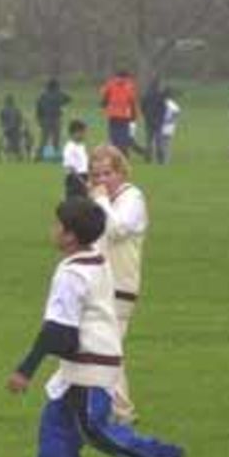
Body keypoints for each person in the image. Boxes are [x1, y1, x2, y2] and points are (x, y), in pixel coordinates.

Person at [6, 197, 185, 457]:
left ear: (70, 235)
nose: (53, 229)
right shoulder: (95, 257)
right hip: (83, 363)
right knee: (56, 424)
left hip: (91, 364)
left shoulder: (72, 274)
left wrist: (26, 369)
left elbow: (57, 331)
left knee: (95, 430)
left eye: (58, 225)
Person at [89, 145, 146, 424]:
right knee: (100, 346)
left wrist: (99, 201)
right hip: (99, 285)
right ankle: (114, 408)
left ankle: (121, 411)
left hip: (120, 286)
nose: (102, 181)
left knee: (107, 347)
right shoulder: (102, 201)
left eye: (107, 174)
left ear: (122, 172)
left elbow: (117, 229)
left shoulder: (132, 197)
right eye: (96, 175)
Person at [100, 69, 142, 156]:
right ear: (126, 77)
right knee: (124, 135)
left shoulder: (110, 84)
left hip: (112, 114)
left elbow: (104, 97)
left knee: (114, 135)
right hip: (124, 115)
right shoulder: (129, 86)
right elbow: (132, 101)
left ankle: (116, 153)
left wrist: (104, 106)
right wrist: (134, 116)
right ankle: (123, 153)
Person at [35, 78, 72, 159]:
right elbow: (69, 99)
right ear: (56, 86)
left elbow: (38, 108)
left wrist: (39, 119)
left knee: (43, 139)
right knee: (56, 138)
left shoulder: (42, 95)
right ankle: (56, 156)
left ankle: (38, 156)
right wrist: (61, 103)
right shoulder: (58, 94)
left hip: (45, 119)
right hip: (56, 118)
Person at [61, 120, 89, 198]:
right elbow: (70, 167)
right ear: (76, 133)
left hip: (84, 176)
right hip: (75, 179)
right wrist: (82, 182)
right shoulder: (69, 147)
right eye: (83, 132)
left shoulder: (81, 146)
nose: (84, 135)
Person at [140, 78, 166, 160]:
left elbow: (142, 107)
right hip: (158, 120)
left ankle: (147, 157)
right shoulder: (160, 95)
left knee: (148, 140)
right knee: (159, 140)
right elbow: (163, 108)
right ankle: (160, 158)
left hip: (148, 120)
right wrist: (161, 118)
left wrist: (145, 116)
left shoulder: (146, 94)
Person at [155, 90, 180, 165]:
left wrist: (169, 119)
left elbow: (176, 113)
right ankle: (166, 160)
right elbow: (177, 112)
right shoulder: (173, 104)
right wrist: (173, 120)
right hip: (170, 126)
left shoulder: (165, 103)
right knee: (167, 144)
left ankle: (163, 160)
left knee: (162, 143)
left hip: (164, 125)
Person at [0, 95, 26, 161]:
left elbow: (1, 120)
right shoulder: (17, 110)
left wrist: (4, 127)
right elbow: (20, 119)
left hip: (7, 129)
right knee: (16, 143)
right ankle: (19, 156)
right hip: (16, 129)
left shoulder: (3, 110)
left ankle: (9, 156)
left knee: (8, 142)